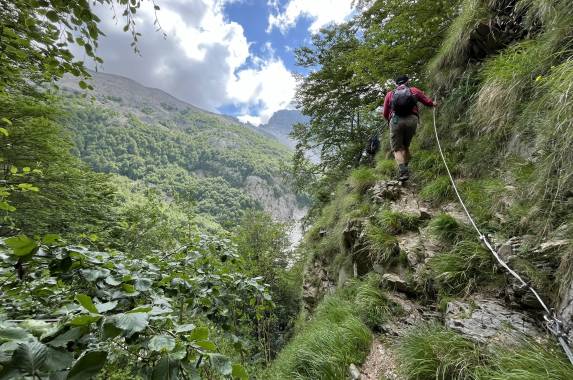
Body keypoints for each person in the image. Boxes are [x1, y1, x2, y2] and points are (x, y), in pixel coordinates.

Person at [382, 75, 436, 181]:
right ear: (408, 81)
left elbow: (385, 113)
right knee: (406, 146)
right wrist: (433, 103)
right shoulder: (414, 90)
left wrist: (389, 120)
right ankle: (405, 166)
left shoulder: (390, 94)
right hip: (412, 120)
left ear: (396, 84)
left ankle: (403, 171)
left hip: (396, 121)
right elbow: (427, 102)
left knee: (397, 148)